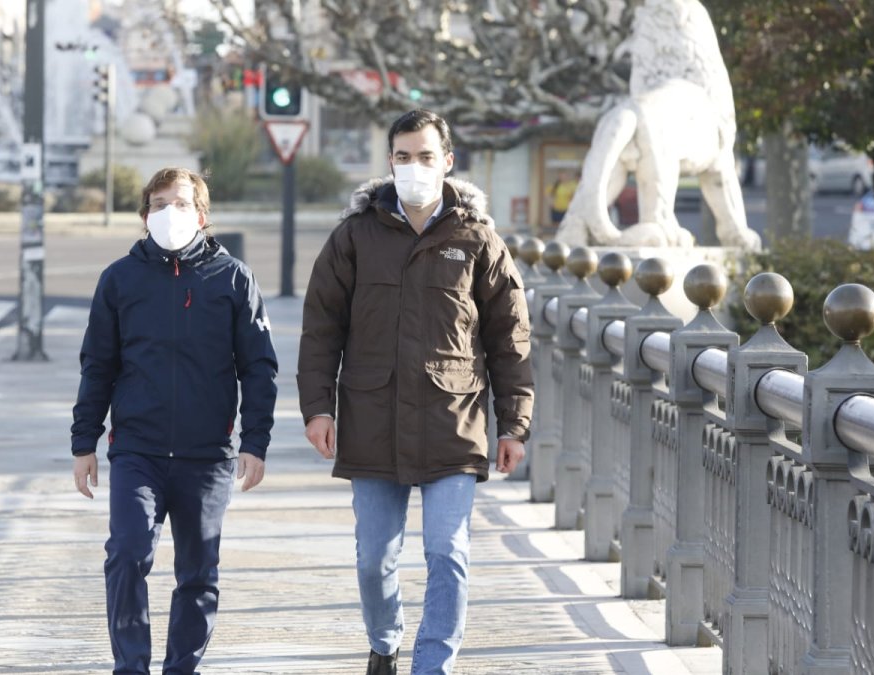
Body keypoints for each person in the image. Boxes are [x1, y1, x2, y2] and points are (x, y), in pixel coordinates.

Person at [298, 110, 534, 675]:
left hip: (454, 419)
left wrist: (515, 423)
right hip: (372, 417)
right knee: (373, 558)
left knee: (447, 554)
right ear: (389, 163)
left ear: (447, 161)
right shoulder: (354, 236)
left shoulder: (477, 238)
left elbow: (511, 337)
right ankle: (385, 642)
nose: (414, 167)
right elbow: (321, 327)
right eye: (403, 156)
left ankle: (433, 665)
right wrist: (317, 409)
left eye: (426, 156)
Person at [71, 167, 278, 675]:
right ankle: (131, 667)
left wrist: (255, 441)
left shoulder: (233, 278)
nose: (170, 213)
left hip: (206, 454)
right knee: (126, 554)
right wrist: (84, 442)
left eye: (181, 203)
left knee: (198, 573)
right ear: (144, 215)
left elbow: (258, 366)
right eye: (159, 203)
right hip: (137, 450)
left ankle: (182, 668)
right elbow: (98, 364)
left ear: (202, 216)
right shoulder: (120, 279)